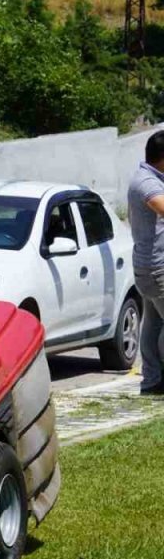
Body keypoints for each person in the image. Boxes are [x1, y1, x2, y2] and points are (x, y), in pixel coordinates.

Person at [126, 130, 164, 395]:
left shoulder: (151, 178)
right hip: (156, 267)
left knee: (153, 323)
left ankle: (152, 381)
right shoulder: (147, 183)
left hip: (149, 266)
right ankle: (155, 379)